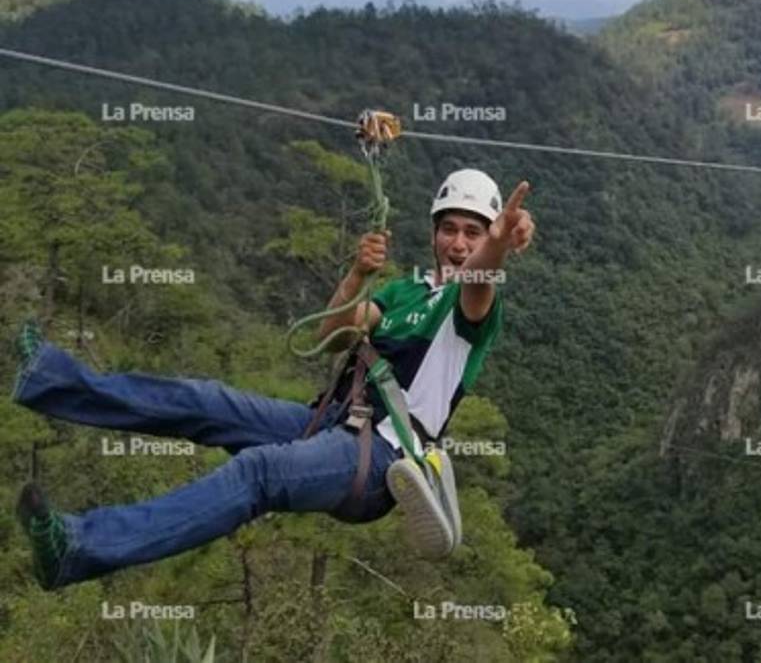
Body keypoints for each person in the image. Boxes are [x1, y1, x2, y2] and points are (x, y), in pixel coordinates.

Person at [10, 169, 535, 590]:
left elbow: (480, 277)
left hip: (381, 458)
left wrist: (500, 243)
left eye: (472, 231)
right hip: (331, 421)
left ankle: (78, 550)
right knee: (204, 402)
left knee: (258, 472)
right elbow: (332, 335)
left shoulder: (472, 309)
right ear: (434, 234)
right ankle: (49, 379)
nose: (459, 242)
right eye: (450, 228)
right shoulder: (405, 292)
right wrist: (355, 274)